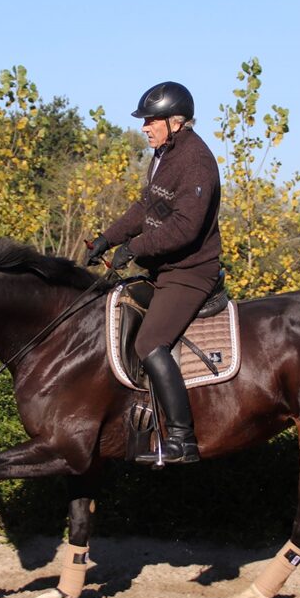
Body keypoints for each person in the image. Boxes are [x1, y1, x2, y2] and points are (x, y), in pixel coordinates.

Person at [85, 81, 222, 464]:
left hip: (191, 272)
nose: (144, 127)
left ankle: (182, 439)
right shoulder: (162, 155)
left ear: (175, 122)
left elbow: (185, 228)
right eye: (144, 121)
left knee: (149, 344)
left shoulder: (195, 160)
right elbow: (143, 209)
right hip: (163, 270)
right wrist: (106, 240)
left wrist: (136, 248)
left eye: (151, 120)